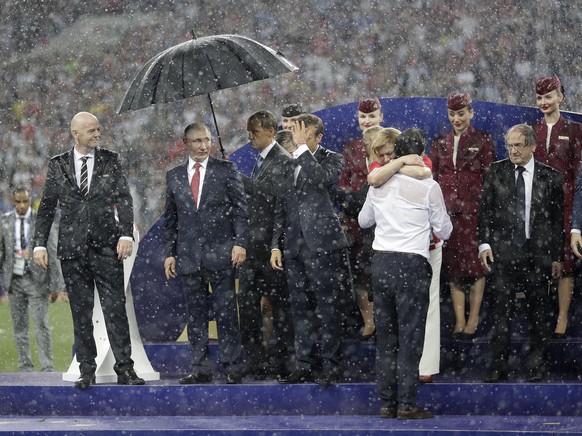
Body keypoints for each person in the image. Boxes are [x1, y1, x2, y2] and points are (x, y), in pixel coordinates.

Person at [33, 111, 145, 389]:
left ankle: (125, 370)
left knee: (115, 310)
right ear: (76, 134)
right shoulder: (58, 164)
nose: (97, 134)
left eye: (98, 130)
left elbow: (124, 198)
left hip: (108, 247)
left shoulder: (111, 159)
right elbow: (46, 207)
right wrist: (38, 243)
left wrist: (126, 234)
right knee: (81, 313)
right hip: (72, 250)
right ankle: (87, 370)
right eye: (91, 131)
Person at [359, 128, 452, 419]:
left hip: (382, 264)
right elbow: (444, 230)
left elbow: (363, 222)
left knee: (386, 337)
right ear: (421, 154)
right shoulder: (428, 186)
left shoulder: (379, 185)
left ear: (397, 153)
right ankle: (407, 405)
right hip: (411, 265)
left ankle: (387, 403)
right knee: (410, 338)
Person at [163, 121, 249, 384]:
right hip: (188, 256)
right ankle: (200, 368)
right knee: (196, 316)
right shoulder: (174, 176)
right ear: (186, 143)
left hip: (222, 252)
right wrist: (170, 253)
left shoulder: (226, 170)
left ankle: (233, 367)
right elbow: (171, 219)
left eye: (207, 140)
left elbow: (240, 209)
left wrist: (240, 242)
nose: (204, 145)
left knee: (226, 313)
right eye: (198, 141)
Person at [271, 113, 352, 387]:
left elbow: (320, 179)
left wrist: (303, 150)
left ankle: (331, 365)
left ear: (317, 136)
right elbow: (282, 206)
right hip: (294, 245)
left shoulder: (332, 158)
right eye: (294, 132)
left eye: (303, 133)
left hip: (323, 245)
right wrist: (275, 244)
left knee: (328, 307)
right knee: (300, 308)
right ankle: (304, 364)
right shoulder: (287, 162)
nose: (296, 137)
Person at [478, 124, 563, 383]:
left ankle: (537, 365)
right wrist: (484, 245)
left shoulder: (551, 177)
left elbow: (557, 220)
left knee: (539, 312)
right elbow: (485, 212)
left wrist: (557, 256)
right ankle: (499, 365)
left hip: (537, 254)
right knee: (501, 312)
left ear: (532, 147)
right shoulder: (496, 171)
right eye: (510, 145)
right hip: (503, 254)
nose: (513, 150)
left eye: (518, 145)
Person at [430, 92, 495, 339]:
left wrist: (485, 206)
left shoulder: (483, 139)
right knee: (453, 268)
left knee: (478, 267)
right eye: (452, 114)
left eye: (460, 113)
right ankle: (459, 321)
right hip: (448, 214)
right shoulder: (439, 143)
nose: (456, 119)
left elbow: (489, 178)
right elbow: (433, 178)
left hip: (475, 211)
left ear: (471, 112)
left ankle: (473, 318)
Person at [238, 110, 294, 379]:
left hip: (272, 247)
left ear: (271, 132)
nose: (250, 137)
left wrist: (241, 181)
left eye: (255, 132)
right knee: (248, 304)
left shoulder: (282, 160)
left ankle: (284, 361)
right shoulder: (261, 161)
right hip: (253, 246)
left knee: (279, 306)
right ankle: (255, 359)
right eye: (249, 132)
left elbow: (274, 195)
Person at [530, 75, 582, 338]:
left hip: (566, 203)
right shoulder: (530, 130)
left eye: (549, 97)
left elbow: (577, 174)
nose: (543, 102)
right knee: (539, 261)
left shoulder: (575, 130)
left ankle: (562, 317)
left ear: (561, 97)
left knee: (566, 262)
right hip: (537, 205)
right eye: (539, 98)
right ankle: (539, 319)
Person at [0, 187, 63, 372]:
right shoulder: (5, 221)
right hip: (14, 281)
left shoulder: (41, 220)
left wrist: (55, 285)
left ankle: (47, 368)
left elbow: (53, 252)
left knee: (41, 326)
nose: (21, 205)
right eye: (17, 202)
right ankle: (25, 367)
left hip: (37, 280)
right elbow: (2, 253)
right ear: (13, 202)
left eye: (24, 201)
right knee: (20, 328)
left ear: (29, 201)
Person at [339, 98, 384, 339]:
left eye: (372, 116)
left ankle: (384, 321)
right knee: (360, 274)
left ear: (381, 117)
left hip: (386, 223)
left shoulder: (390, 144)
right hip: (357, 221)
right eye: (363, 117)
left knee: (383, 274)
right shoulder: (350, 148)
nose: (367, 121)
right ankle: (369, 321)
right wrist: (352, 206)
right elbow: (344, 184)